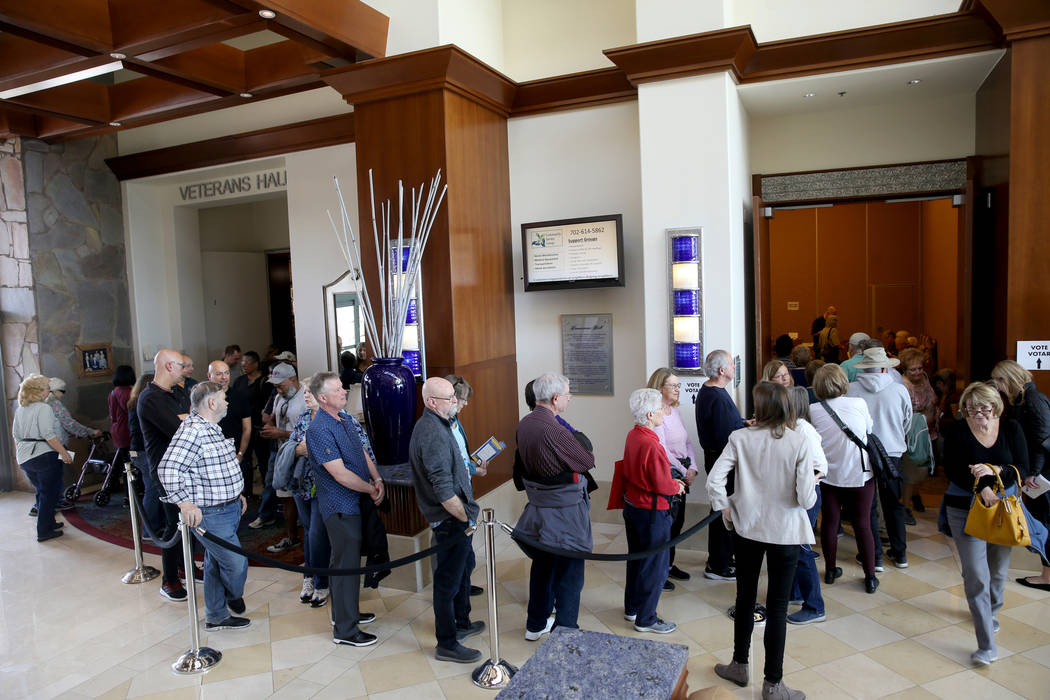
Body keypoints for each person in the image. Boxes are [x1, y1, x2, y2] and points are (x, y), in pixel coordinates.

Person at [709, 381, 817, 700]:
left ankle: (739, 664)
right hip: (784, 531)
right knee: (778, 606)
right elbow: (806, 499)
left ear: (760, 408)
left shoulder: (740, 438)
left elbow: (715, 482)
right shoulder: (798, 441)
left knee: (745, 598)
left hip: (748, 528)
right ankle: (773, 684)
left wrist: (726, 510)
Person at [939, 381, 1030, 665]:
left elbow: (1022, 468)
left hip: (1003, 509)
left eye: (984, 409)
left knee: (999, 571)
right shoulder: (956, 431)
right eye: (971, 408)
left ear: (996, 408)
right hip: (964, 509)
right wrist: (981, 487)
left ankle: (990, 612)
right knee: (977, 574)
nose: (978, 414)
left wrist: (994, 470)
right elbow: (952, 469)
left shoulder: (1011, 429)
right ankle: (986, 646)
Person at [157, 382, 250, 631]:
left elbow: (216, 467)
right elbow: (167, 469)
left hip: (227, 507)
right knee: (235, 562)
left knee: (215, 563)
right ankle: (233, 595)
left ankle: (216, 616)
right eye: (224, 398)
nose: (227, 402)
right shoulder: (193, 431)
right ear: (212, 403)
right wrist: (185, 503)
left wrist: (236, 493)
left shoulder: (211, 427)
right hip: (211, 513)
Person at [307, 372, 386, 647]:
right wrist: (370, 488)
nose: (344, 392)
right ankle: (345, 630)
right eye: (338, 389)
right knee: (345, 565)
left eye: (342, 387)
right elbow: (339, 474)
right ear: (322, 398)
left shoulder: (344, 419)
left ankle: (346, 612)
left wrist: (376, 479)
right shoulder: (318, 429)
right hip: (339, 506)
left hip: (356, 501)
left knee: (348, 562)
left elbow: (362, 452)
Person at [409, 376, 485, 662]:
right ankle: (447, 643)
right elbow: (442, 490)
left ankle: (461, 623)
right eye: (449, 398)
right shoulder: (431, 432)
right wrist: (466, 518)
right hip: (450, 520)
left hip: (458, 517)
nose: (455, 401)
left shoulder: (442, 425)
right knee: (447, 582)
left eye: (455, 396)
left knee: (461, 573)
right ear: (431, 402)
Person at [516, 373, 595, 641]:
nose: (569, 398)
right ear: (555, 398)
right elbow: (586, 460)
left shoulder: (525, 423)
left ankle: (535, 624)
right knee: (570, 574)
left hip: (539, 508)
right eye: (567, 394)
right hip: (563, 510)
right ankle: (566, 631)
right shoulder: (554, 429)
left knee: (542, 567)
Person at [620, 388, 686, 634]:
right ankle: (646, 618)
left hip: (633, 506)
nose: (662, 413)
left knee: (636, 559)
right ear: (649, 414)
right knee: (655, 565)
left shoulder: (633, 435)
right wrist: (676, 485)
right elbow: (661, 483)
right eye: (659, 410)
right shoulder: (652, 444)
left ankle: (632, 607)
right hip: (651, 511)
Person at [810, 364, 879, 593]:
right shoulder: (858, 403)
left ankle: (830, 570)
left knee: (830, 522)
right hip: (860, 473)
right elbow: (868, 430)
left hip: (829, 475)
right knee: (863, 524)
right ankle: (870, 576)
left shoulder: (814, 410)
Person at [847, 347, 912, 569]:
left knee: (868, 506)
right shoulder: (899, 389)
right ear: (885, 367)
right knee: (894, 504)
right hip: (892, 452)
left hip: (863, 453)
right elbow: (907, 421)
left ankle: (874, 557)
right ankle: (900, 553)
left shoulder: (852, 389)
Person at [138, 349, 193, 601]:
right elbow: (180, 429)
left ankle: (185, 567)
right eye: (182, 365)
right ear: (169, 366)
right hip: (166, 471)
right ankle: (169, 580)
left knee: (188, 525)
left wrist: (187, 419)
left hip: (185, 468)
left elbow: (192, 420)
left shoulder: (178, 392)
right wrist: (186, 419)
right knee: (174, 525)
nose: (186, 369)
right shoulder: (150, 398)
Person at [990, 360, 1050, 590]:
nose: (997, 385)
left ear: (1010, 378)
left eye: (999, 380)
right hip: (1038, 471)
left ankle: (1047, 576)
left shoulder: (1033, 401)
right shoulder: (1023, 400)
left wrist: (1033, 473)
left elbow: (1042, 443)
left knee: (1044, 521)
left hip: (1042, 473)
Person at [695, 349, 744, 581]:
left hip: (717, 458)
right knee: (722, 509)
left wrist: (744, 423)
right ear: (722, 370)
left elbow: (728, 424)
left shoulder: (712, 391)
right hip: (721, 461)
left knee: (723, 507)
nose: (735, 368)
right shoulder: (715, 395)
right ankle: (718, 564)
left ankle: (723, 557)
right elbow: (728, 436)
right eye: (732, 365)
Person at [647, 367, 699, 583]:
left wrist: (693, 467)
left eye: (678, 385)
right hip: (670, 474)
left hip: (683, 473)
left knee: (678, 523)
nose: (678, 389)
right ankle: (659, 571)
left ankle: (668, 564)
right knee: (666, 525)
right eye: (673, 385)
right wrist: (682, 469)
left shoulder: (674, 411)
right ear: (660, 388)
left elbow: (686, 441)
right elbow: (662, 449)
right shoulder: (656, 414)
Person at [12, 374, 74, 542]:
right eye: (47, 387)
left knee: (41, 492)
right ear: (38, 391)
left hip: (25, 457)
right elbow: (49, 435)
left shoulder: (21, 409)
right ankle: (44, 530)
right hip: (44, 456)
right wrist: (64, 453)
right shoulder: (43, 408)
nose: (49, 390)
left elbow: (16, 436)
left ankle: (49, 522)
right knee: (50, 493)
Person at [786, 387, 828, 626]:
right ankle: (796, 592)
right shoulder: (795, 428)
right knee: (794, 547)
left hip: (808, 497)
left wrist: (803, 485)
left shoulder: (804, 430)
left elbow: (820, 466)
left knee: (801, 549)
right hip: (801, 495)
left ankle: (815, 606)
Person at [256, 363, 307, 555]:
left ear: (293, 379)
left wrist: (280, 433)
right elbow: (274, 418)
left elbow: (309, 433)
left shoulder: (305, 399)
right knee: (284, 496)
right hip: (281, 453)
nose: (278, 389)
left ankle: (309, 537)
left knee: (301, 497)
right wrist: (269, 428)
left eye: (281, 385)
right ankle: (292, 537)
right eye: (275, 386)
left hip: (300, 454)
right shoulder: (279, 397)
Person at [445, 374, 488, 597]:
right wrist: (472, 469)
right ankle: (458, 590)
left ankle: (464, 583)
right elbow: (452, 464)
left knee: (466, 550)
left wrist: (474, 465)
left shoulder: (455, 422)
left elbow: (462, 456)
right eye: (463, 399)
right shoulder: (440, 427)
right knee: (458, 549)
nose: (465, 404)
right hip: (453, 497)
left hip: (465, 490)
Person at [899, 348, 940, 515]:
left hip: (928, 432)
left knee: (923, 468)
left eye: (920, 368)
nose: (918, 372)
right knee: (911, 470)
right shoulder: (902, 385)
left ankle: (916, 495)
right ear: (905, 369)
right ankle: (906, 506)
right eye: (913, 369)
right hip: (912, 434)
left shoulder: (924, 379)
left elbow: (932, 400)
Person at [127, 372, 163, 533]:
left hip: (138, 450)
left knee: (154, 488)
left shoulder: (134, 401)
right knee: (152, 489)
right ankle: (149, 531)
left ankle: (156, 525)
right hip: (143, 451)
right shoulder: (143, 403)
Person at [233, 350, 269, 499]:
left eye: (247, 363)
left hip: (258, 428)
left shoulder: (264, 382)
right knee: (244, 460)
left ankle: (267, 494)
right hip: (242, 428)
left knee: (263, 461)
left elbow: (268, 405)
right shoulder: (240, 381)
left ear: (256, 364)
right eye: (242, 363)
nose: (243, 365)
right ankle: (246, 492)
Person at [107, 365, 136, 495]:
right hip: (128, 430)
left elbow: (112, 414)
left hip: (117, 430)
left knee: (125, 464)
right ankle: (132, 493)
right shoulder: (129, 393)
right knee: (132, 464)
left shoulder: (113, 392)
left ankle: (127, 494)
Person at [46, 377, 102, 446]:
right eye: (63, 391)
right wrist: (90, 432)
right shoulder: (55, 404)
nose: (63, 395)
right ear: (55, 391)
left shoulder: (41, 402)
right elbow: (69, 423)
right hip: (57, 444)